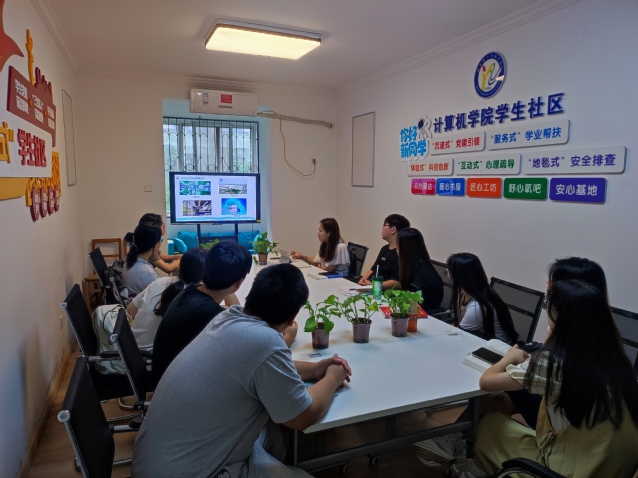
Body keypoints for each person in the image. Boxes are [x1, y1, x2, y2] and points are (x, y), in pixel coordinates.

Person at [132, 264, 352, 478]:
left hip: (157, 462)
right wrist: (333, 377)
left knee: (272, 435)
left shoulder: (227, 318)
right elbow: (302, 416)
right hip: (195, 471)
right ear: (293, 316)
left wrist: (315, 369)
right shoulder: (266, 342)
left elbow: (258, 368)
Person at [471, 279, 638, 478]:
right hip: (612, 466)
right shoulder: (617, 359)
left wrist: (509, 357)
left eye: (547, 304)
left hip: (570, 470)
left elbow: (486, 381)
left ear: (560, 316)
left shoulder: (555, 362)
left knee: (490, 425)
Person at [150, 241, 253, 385]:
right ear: (239, 283)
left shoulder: (189, 292)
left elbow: (233, 310)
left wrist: (228, 285)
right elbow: (249, 354)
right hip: (179, 387)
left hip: (164, 379)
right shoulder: (212, 315)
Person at [126, 247, 207, 352]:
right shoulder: (197, 298)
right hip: (151, 357)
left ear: (180, 266)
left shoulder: (160, 282)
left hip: (131, 348)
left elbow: (130, 310)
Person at [447, 252, 518, 344]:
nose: (448, 276)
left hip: (496, 349)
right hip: (481, 341)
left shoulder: (476, 307)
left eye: (449, 272)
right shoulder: (468, 293)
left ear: (460, 277)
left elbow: (460, 337)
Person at [396, 228, 443, 311]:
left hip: (422, 315)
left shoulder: (422, 276)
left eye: (397, 244)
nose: (396, 248)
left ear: (405, 248)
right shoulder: (418, 265)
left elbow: (413, 307)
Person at [358, 214, 410, 289]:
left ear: (393, 229)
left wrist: (373, 285)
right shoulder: (384, 248)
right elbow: (373, 269)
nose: (382, 228)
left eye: (384, 225)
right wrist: (363, 280)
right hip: (371, 286)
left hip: (384, 291)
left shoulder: (402, 253)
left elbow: (397, 282)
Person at [121, 223, 162, 296]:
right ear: (155, 245)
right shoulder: (147, 273)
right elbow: (161, 296)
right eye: (160, 240)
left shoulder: (128, 261)